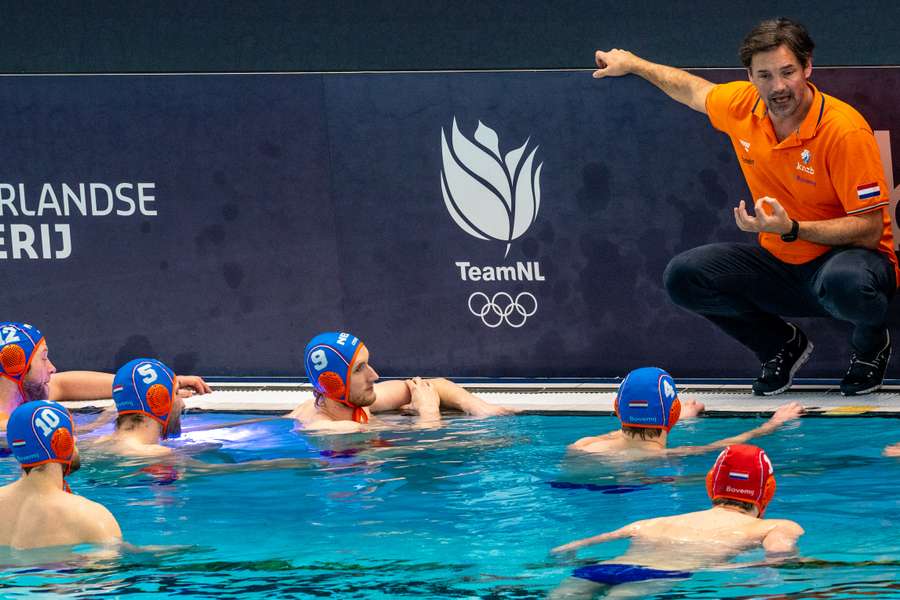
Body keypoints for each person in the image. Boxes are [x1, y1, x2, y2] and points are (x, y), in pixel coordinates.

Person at [593, 18, 897, 396]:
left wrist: (794, 228)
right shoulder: (742, 106)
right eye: (765, 75)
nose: (779, 86)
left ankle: (871, 347)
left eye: (788, 72)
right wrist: (635, 63)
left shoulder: (843, 130)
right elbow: (692, 90)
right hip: (783, 266)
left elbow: (869, 229)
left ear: (807, 68)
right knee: (685, 276)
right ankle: (780, 345)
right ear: (750, 76)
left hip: (848, 263)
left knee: (845, 283)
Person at [551, 444, 803, 598]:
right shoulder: (774, 526)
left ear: (710, 484)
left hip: (603, 568)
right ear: (768, 490)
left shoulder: (652, 522)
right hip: (658, 575)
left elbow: (567, 549)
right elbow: (779, 558)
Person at [0, 321, 212, 432]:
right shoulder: (8, 427)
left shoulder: (22, 395)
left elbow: (64, 384)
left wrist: (150, 383)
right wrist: (99, 424)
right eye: (44, 358)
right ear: (16, 366)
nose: (52, 368)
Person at [291, 331, 513, 432]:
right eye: (360, 369)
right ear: (333, 384)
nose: (374, 375)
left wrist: (479, 407)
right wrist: (428, 414)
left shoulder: (355, 402)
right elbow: (424, 449)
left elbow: (433, 385)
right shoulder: (327, 429)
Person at [568, 366, 802, 456]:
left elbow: (620, 435)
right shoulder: (664, 457)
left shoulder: (582, 445)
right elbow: (730, 443)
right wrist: (773, 425)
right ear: (672, 413)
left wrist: (680, 418)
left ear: (617, 409)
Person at [0, 400, 122, 549]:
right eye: (72, 433)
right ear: (61, 442)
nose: (75, 439)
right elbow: (107, 568)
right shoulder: (92, 517)